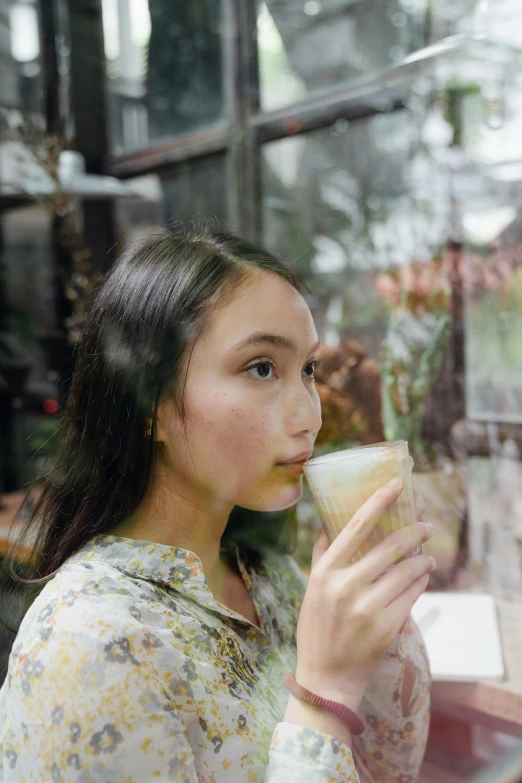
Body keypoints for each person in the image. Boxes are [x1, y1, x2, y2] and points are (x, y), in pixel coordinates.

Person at [0, 227, 434, 782]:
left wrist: (378, 607)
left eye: (308, 370)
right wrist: (322, 693)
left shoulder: (271, 578)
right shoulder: (87, 644)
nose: (309, 414)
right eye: (260, 368)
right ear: (149, 402)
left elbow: (388, 769)